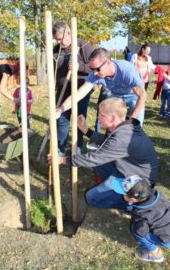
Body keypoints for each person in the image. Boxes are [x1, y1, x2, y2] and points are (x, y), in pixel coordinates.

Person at [48, 98, 158, 210]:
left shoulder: (123, 138)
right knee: (94, 155)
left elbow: (94, 159)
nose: (98, 117)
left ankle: (133, 203)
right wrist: (87, 131)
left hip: (138, 181)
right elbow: (107, 142)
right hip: (128, 168)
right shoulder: (124, 125)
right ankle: (111, 186)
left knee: (91, 198)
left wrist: (63, 160)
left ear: (112, 118)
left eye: (101, 114)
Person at [57, 48, 146, 125]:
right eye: (92, 69)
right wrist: (60, 109)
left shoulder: (126, 70)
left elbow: (142, 96)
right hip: (116, 96)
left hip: (134, 96)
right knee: (112, 125)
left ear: (108, 63)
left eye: (97, 69)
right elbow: (79, 94)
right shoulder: (95, 74)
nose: (95, 73)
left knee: (135, 126)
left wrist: (133, 118)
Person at [53, 22, 94, 155]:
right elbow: (55, 69)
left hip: (80, 91)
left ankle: (77, 148)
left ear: (69, 33)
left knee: (79, 119)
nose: (59, 42)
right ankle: (60, 149)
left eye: (60, 38)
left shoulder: (84, 46)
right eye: (56, 39)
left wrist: (79, 67)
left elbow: (95, 69)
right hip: (63, 91)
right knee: (62, 120)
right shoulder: (56, 50)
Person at [109, 175, 170, 263]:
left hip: (167, 239)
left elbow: (141, 230)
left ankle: (155, 253)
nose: (122, 194)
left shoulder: (140, 213)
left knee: (135, 230)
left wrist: (135, 221)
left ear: (134, 199)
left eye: (124, 193)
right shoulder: (158, 195)